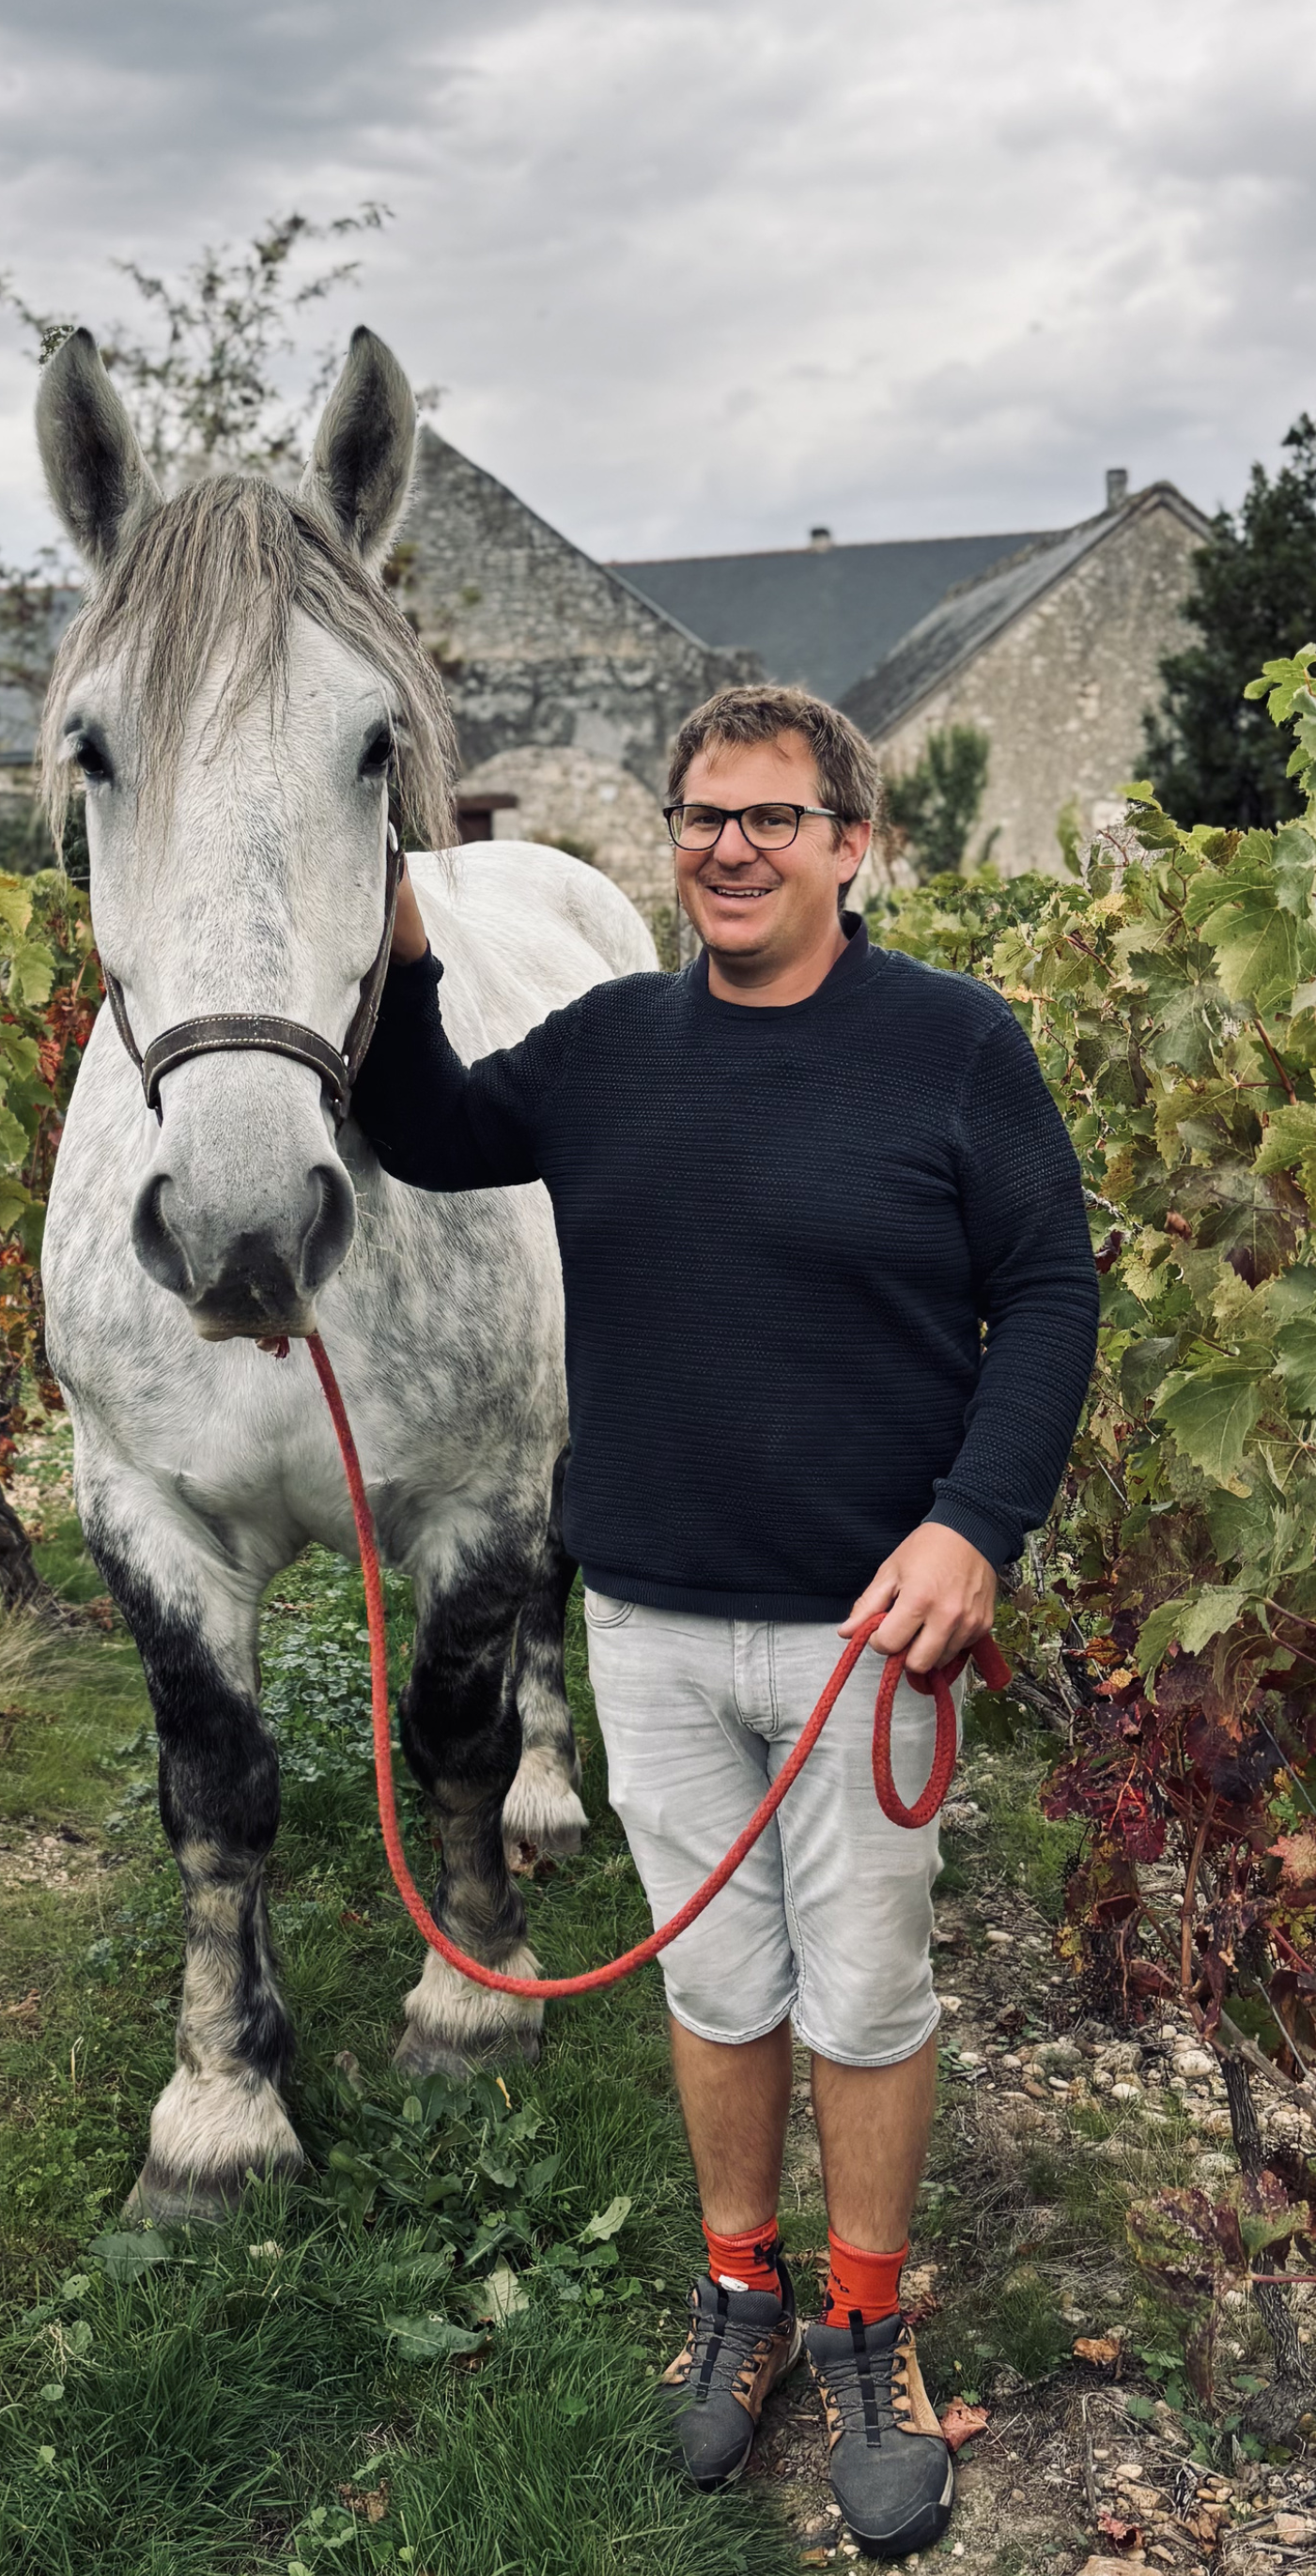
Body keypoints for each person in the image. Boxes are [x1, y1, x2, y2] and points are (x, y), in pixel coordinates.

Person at [350, 684, 1098, 2561]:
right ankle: (741, 2293)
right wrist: (399, 950)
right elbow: (427, 1132)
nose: (731, 848)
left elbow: (1053, 1294)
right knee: (716, 1985)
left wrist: (974, 1531)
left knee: (865, 1993)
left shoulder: (952, 1048)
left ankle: (867, 2323)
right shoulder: (607, 1050)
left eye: (772, 818)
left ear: (856, 845)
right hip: (659, 1631)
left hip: (876, 1637)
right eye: (702, 816)